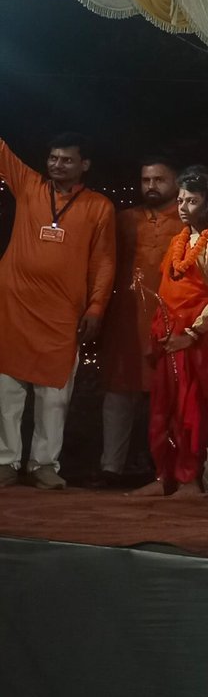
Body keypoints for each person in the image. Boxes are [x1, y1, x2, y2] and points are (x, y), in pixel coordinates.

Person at [0, 132, 115, 490]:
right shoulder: (29, 185)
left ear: (84, 165)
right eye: (53, 158)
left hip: (62, 313)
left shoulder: (99, 206)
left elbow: (104, 261)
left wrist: (96, 307)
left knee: (54, 395)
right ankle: (4, 461)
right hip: (15, 306)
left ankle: (44, 464)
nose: (57, 164)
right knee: (7, 390)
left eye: (67, 159)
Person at [130, 170, 208, 498]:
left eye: (192, 201)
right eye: (180, 200)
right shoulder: (179, 241)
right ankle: (164, 476)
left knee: (191, 409)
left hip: (196, 341)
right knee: (163, 408)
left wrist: (191, 333)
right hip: (169, 338)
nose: (183, 207)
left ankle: (190, 479)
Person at [95, 158, 183, 488]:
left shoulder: (187, 220)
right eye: (146, 180)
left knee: (168, 398)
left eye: (159, 179)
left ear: (175, 182)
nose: (151, 186)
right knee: (119, 392)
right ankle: (111, 468)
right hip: (126, 320)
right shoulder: (125, 220)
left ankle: (164, 469)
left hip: (171, 321)